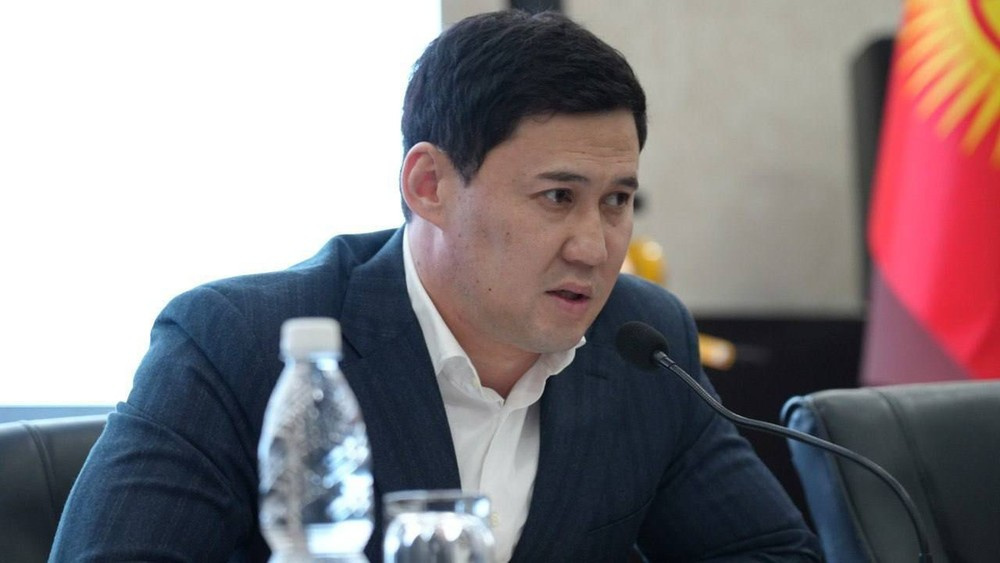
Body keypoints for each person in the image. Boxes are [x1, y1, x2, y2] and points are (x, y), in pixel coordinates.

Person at [51, 10, 820, 562]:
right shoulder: (238, 344)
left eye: (617, 200)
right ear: (429, 185)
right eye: (558, 196)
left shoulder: (642, 344)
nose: (594, 246)